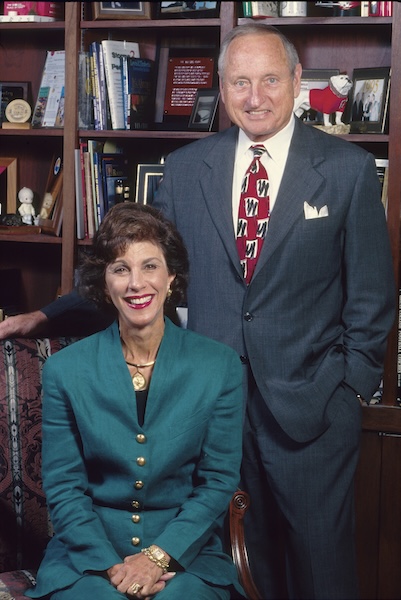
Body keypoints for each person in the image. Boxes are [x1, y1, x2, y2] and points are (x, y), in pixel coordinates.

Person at [1, 23, 395, 599]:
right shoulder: (186, 169)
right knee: (234, 564)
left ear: (295, 85)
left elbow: (371, 296)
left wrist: (350, 390)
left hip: (313, 410)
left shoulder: (347, 170)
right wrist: (45, 317)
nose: (254, 96)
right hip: (209, 406)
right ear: (221, 85)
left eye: (268, 80)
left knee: (320, 568)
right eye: (239, 82)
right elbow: (136, 272)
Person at [25, 203, 244, 600]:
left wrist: (158, 557)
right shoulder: (64, 370)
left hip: (186, 553)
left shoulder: (220, 366)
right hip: (88, 557)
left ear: (172, 276)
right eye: (120, 268)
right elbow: (64, 487)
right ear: (104, 282)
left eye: (150, 266)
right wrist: (113, 568)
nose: (136, 283)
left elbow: (217, 483)